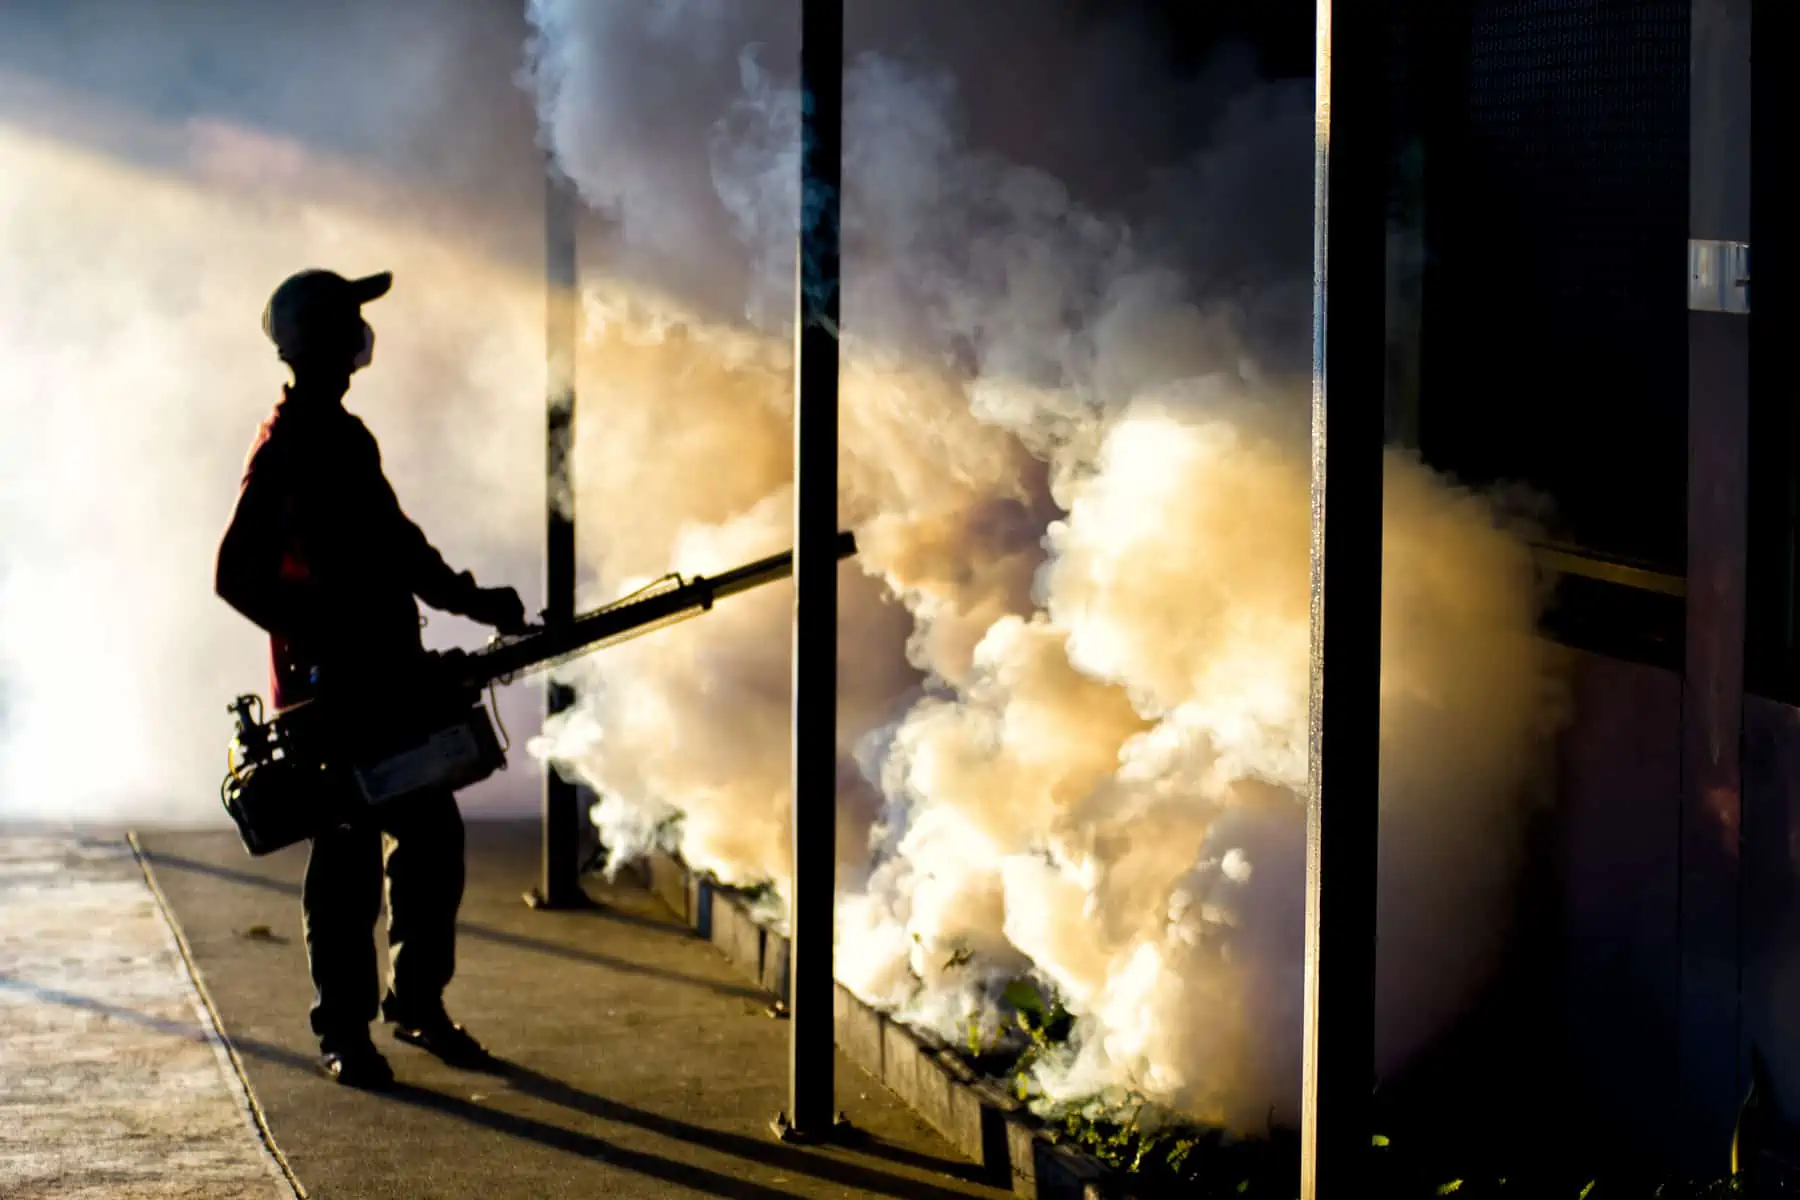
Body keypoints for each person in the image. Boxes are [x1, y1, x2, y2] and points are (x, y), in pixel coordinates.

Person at [215, 268, 527, 1089]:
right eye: (349, 318)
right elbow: (237, 574)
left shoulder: (342, 436)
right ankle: (346, 1033)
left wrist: (471, 599)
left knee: (430, 837)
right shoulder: (286, 448)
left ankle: (417, 1004)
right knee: (348, 857)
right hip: (334, 697)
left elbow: (397, 544)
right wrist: (325, 639)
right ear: (320, 338)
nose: (362, 332)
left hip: (384, 682)